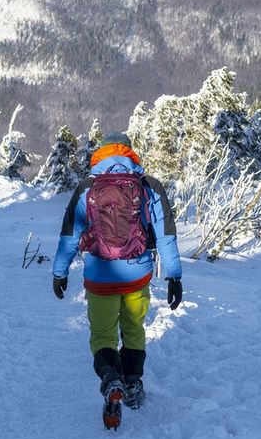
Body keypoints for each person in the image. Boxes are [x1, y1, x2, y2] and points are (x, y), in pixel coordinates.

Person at [51, 131, 183, 415]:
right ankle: (133, 382)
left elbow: (69, 237)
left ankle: (111, 377)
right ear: (129, 153)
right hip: (137, 277)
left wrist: (59, 272)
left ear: (102, 154)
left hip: (99, 278)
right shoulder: (148, 186)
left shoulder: (87, 187)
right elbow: (166, 236)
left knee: (103, 334)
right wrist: (174, 276)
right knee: (134, 330)